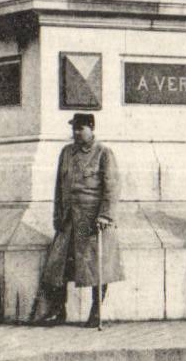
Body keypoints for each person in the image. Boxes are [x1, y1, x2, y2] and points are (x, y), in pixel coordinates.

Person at [31, 114, 124, 328]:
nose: (75, 133)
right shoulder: (66, 153)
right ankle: (58, 310)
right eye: (74, 128)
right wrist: (57, 215)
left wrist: (105, 215)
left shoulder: (103, 153)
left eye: (80, 128)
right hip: (68, 220)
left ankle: (96, 312)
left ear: (91, 128)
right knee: (58, 267)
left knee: (95, 267)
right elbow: (58, 187)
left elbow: (112, 187)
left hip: (92, 221)